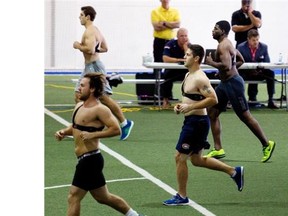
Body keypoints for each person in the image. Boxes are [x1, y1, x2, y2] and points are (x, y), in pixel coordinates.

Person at [163, 44, 244, 206]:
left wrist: (190, 107)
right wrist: (181, 106)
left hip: (197, 123)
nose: (184, 57)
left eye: (187, 55)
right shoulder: (188, 75)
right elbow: (192, 98)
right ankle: (234, 171)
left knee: (179, 157)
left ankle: (182, 196)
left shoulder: (200, 77)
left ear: (196, 58)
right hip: (191, 121)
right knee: (197, 160)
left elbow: (213, 99)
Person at [54, 73, 143, 216]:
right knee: (103, 197)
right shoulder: (78, 106)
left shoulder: (101, 109)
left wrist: (93, 135)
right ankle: (134, 215)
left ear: (92, 89)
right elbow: (76, 127)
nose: (79, 88)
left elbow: (116, 129)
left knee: (74, 196)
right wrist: (64, 132)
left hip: (90, 159)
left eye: (82, 85)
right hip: (84, 158)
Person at [204, 20, 276, 162]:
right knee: (212, 112)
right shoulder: (227, 44)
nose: (213, 30)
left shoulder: (223, 45)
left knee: (245, 117)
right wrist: (227, 71)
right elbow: (240, 60)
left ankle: (267, 144)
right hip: (225, 84)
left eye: (216, 28)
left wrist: (212, 63)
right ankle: (218, 149)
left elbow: (225, 65)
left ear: (223, 31)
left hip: (232, 84)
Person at [73, 6, 133, 141]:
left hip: (93, 67)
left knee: (101, 97)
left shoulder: (89, 31)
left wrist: (78, 46)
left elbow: (89, 50)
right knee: (79, 95)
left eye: (81, 15)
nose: (79, 17)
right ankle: (80, 125)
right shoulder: (96, 30)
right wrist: (93, 50)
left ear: (88, 17)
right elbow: (105, 48)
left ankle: (124, 123)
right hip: (91, 66)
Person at [237, 29, 278, 109]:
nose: (256, 42)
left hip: (259, 72)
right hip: (246, 73)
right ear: (248, 39)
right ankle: (240, 101)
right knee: (238, 77)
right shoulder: (241, 47)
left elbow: (267, 62)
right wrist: (250, 70)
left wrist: (259, 70)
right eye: (253, 40)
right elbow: (238, 63)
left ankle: (270, 100)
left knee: (271, 74)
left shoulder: (264, 47)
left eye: (257, 40)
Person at [161, 27, 189, 108]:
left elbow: (189, 59)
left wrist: (185, 48)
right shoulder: (170, 44)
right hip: (172, 71)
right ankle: (165, 100)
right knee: (166, 78)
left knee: (193, 78)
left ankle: (189, 100)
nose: (184, 38)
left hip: (185, 71)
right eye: (182, 36)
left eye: (185, 36)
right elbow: (165, 58)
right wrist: (179, 60)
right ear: (177, 36)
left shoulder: (189, 45)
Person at [151, 0, 181, 74]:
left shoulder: (175, 11)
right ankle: (157, 83)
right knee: (158, 62)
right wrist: (170, 25)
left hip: (171, 42)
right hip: (159, 41)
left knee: (171, 62)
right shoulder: (155, 11)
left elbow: (177, 25)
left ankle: (168, 81)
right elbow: (156, 27)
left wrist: (164, 23)